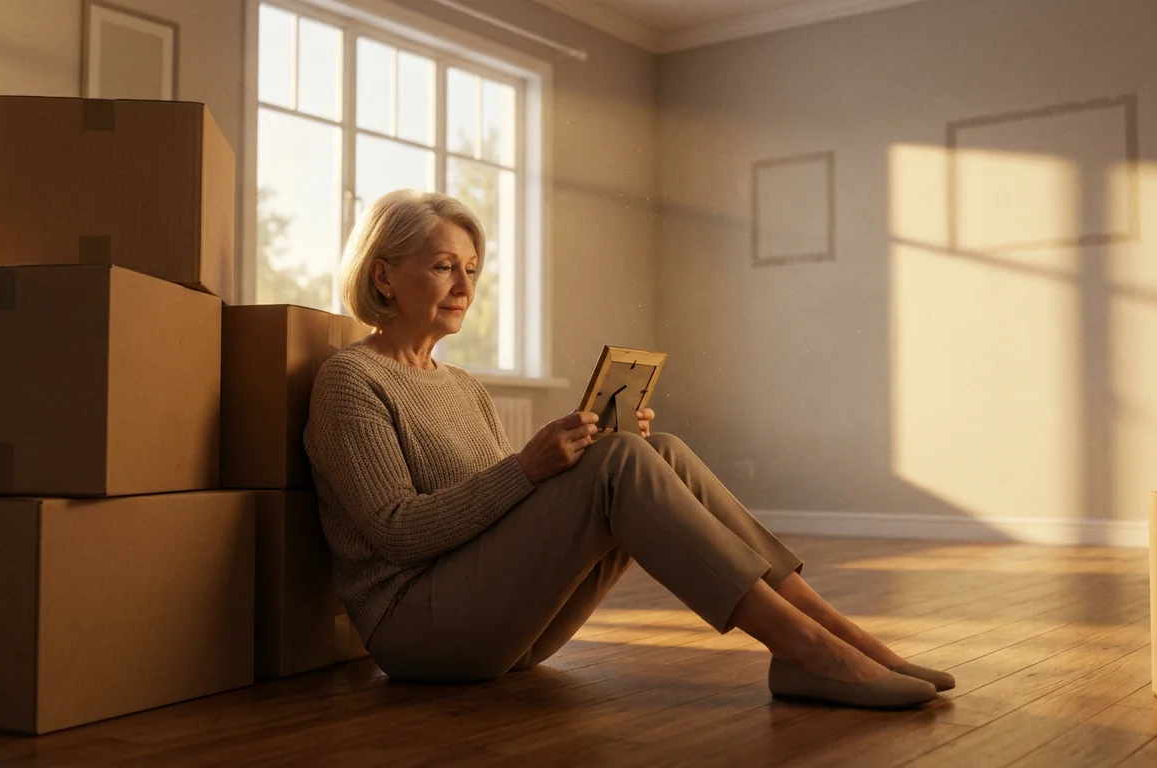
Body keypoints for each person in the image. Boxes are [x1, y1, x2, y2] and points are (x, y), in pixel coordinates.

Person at [303, 189, 954, 708]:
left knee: (654, 450)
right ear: (384, 277)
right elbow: (397, 533)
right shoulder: (350, 380)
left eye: (471, 269)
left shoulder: (463, 386)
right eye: (443, 266)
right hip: (418, 633)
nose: (464, 286)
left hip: (504, 627)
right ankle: (809, 653)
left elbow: (500, 514)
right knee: (619, 463)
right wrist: (529, 470)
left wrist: (588, 460)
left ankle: (847, 640)